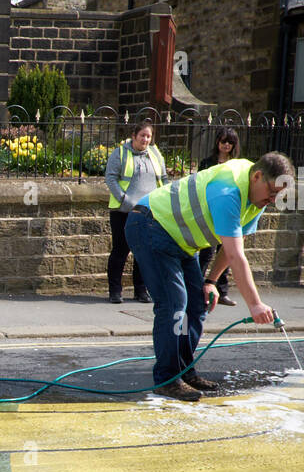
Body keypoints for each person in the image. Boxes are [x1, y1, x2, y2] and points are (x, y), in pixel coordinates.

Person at [125, 152, 293, 402]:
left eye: (279, 196)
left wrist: (211, 282)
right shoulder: (228, 190)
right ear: (257, 176)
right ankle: (167, 379)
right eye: (272, 192)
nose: (273, 200)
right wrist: (255, 304)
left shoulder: (256, 197)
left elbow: (234, 244)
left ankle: (183, 371)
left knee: (196, 304)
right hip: (150, 226)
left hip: (180, 241)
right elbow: (237, 257)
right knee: (174, 306)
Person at [104, 119, 166, 303]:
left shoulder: (155, 154)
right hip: (123, 212)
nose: (145, 139)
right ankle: (115, 291)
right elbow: (110, 178)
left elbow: (163, 178)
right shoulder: (120, 153)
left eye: (149, 136)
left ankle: (141, 290)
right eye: (142, 136)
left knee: (144, 252)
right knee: (120, 251)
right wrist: (125, 199)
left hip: (149, 211)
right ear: (134, 136)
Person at [196, 128, 240, 307]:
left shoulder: (237, 165)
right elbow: (199, 184)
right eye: (223, 141)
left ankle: (222, 291)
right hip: (210, 211)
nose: (226, 145)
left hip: (228, 213)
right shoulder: (207, 163)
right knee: (206, 253)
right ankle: (198, 288)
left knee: (226, 253)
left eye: (230, 142)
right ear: (217, 142)